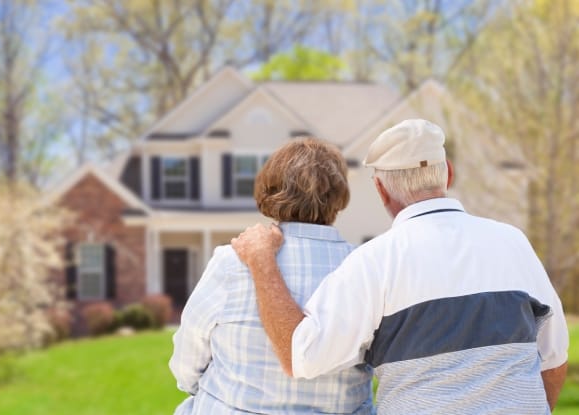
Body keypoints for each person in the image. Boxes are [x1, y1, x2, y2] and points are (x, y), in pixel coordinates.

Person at [231, 119, 569, 415]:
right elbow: (553, 361)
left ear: (380, 189)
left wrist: (262, 260)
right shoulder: (512, 242)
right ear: (447, 173)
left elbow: (300, 355)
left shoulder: (374, 262)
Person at [169, 138, 375, 414]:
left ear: (270, 191)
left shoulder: (231, 262)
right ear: (339, 197)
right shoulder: (365, 268)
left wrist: (198, 387)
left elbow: (189, 354)